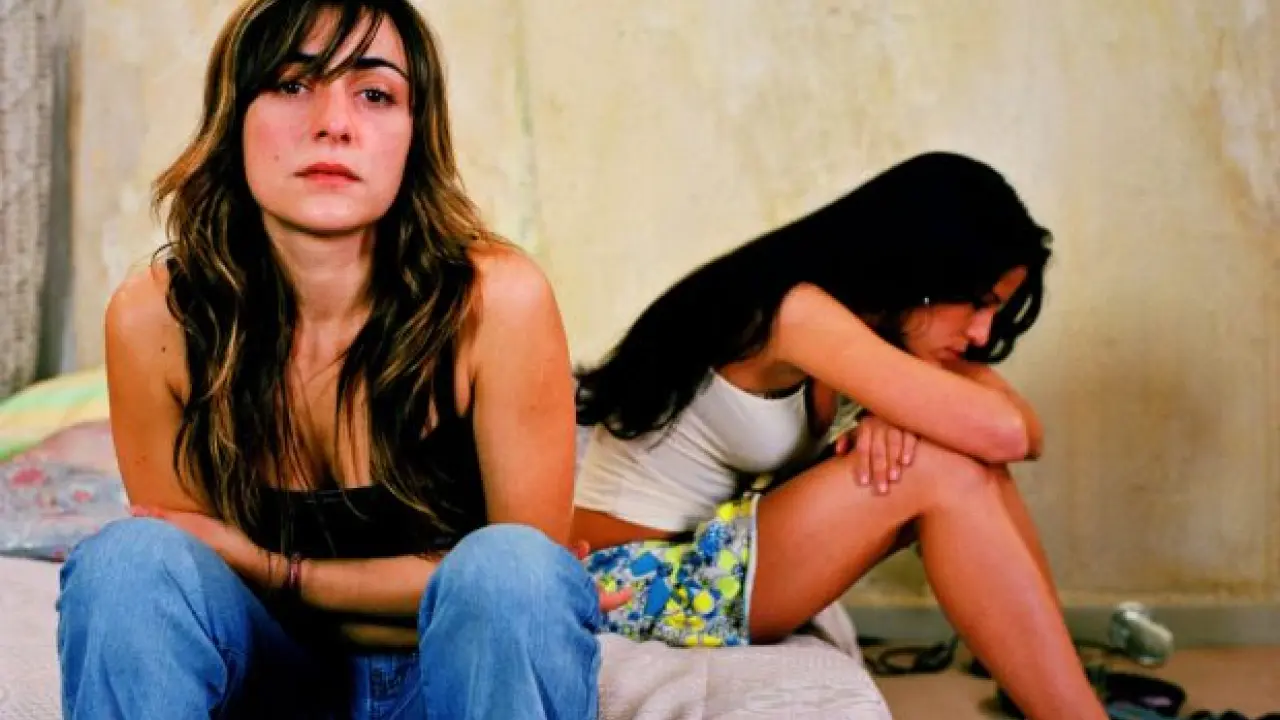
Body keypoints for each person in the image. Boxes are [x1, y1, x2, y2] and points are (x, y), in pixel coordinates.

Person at [56, 1, 615, 718]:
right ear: (234, 117)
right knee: (128, 562)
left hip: (453, 683)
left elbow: (524, 594)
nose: (333, 123)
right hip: (272, 686)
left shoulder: (496, 302)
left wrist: (280, 573)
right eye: (292, 84)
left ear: (416, 134)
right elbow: (192, 577)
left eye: (375, 93)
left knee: (513, 570)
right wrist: (413, 586)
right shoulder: (154, 319)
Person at [571, 151, 1109, 719]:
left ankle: (1057, 697)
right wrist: (908, 414)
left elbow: (1025, 430)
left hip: (705, 556)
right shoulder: (794, 312)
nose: (982, 333)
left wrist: (898, 413)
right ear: (929, 267)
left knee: (966, 462)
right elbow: (1004, 432)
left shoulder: (873, 327)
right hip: (632, 582)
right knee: (940, 466)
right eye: (979, 304)